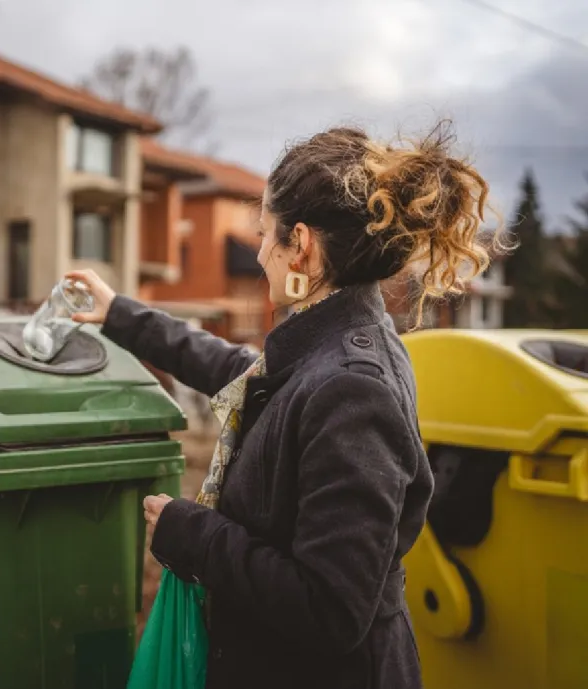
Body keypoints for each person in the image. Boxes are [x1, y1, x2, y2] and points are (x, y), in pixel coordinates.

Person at [67, 120, 499, 689]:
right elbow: (244, 375)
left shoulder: (352, 389)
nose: (260, 252)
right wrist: (122, 315)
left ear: (302, 246)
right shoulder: (330, 345)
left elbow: (330, 609)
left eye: (266, 234)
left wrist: (193, 535)